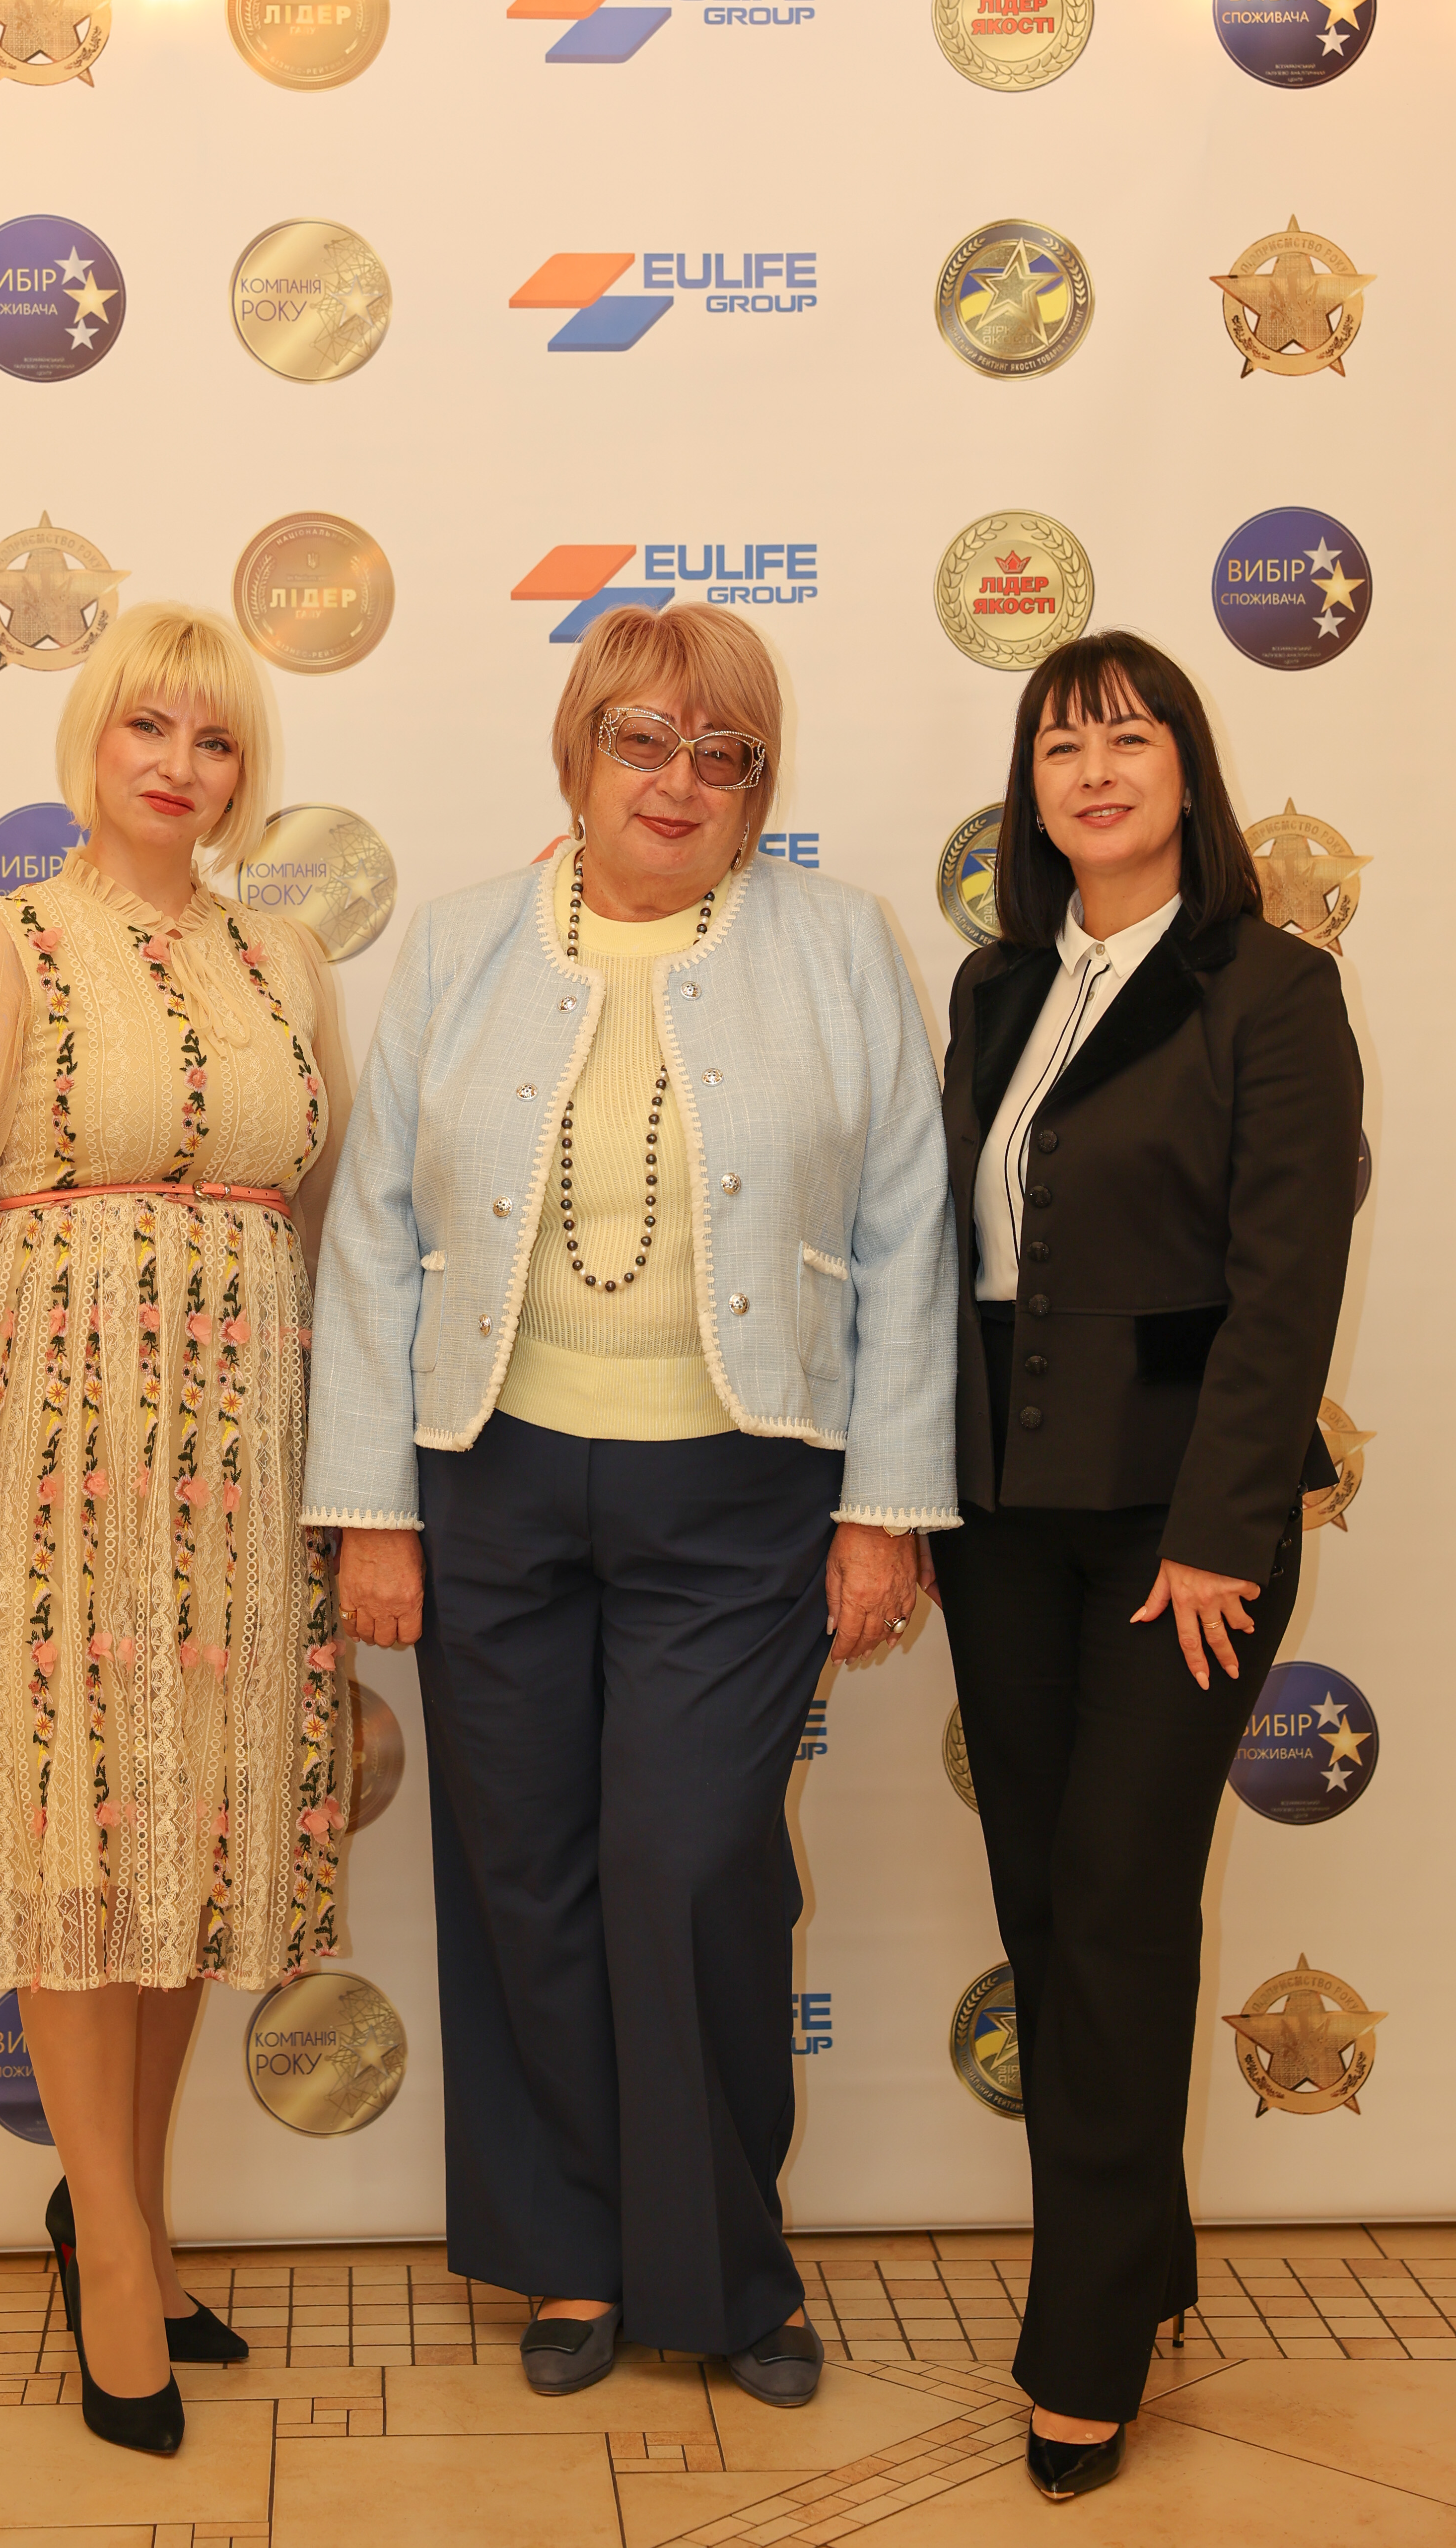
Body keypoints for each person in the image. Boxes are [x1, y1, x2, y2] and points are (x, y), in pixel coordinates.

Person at [302, 603, 957, 2405]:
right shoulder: (458, 944)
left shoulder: (840, 943)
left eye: (722, 753)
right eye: (643, 740)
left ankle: (728, 2273)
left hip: (746, 1489)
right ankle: (569, 2256)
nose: (679, 780)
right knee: (523, 1875)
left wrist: (886, 1508)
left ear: (759, 785)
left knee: (694, 1870)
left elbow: (909, 1235)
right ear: (580, 755)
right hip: (492, 1477)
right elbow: (373, 1239)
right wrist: (373, 1510)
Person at [0, 603, 351, 2455]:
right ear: (93, 743)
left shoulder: (290, 959)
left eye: (214, 740)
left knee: (191, 1846)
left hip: (241, 1458)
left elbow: (321, 1224)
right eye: (149, 727)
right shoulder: (3, 944)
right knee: (75, 1828)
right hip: (51, 1443)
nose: (180, 766)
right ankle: (116, 2263)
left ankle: (126, 2212)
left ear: (245, 770)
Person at [932, 630, 1361, 2502]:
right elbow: (957, 1261)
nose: (1094, 771)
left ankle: (1086, 2345)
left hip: (1178, 1536)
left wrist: (1214, 1533)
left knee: (1115, 1909)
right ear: (1030, 792)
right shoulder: (997, 984)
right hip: (1004, 1525)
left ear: (1188, 765)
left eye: (1127, 737)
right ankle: (1146, 2257)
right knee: (1050, 1910)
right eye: (1060, 745)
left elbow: (1286, 1284)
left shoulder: (1271, 987)